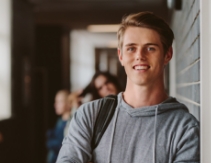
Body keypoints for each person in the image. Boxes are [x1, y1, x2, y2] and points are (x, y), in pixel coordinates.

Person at [56, 11, 200, 163]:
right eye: (131, 48)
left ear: (167, 54)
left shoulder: (185, 128)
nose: (140, 56)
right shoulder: (91, 115)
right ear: (121, 56)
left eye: (150, 48)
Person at [46, 89, 71, 163]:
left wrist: (50, 142)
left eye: (59, 102)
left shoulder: (70, 123)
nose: (55, 104)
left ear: (68, 103)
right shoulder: (59, 120)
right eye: (55, 102)